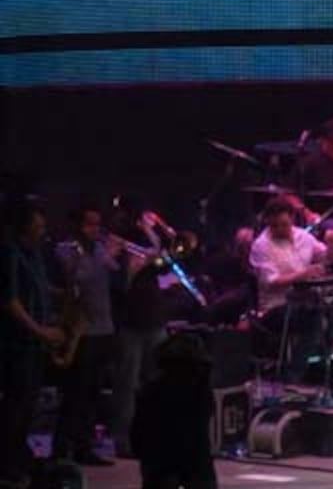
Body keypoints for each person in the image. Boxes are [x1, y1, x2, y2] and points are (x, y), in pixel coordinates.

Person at [0, 202, 65, 487]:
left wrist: (65, 293)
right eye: (38, 227)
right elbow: (10, 301)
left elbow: (39, 286)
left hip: (35, 344)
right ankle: (8, 464)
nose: (44, 232)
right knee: (16, 407)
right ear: (23, 229)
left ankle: (18, 457)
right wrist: (40, 330)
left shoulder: (35, 255)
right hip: (17, 344)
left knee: (27, 406)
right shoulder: (9, 254)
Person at [52, 203, 118, 466]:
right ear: (76, 226)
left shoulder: (101, 249)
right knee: (75, 393)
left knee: (93, 394)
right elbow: (78, 279)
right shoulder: (66, 250)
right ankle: (60, 449)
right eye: (90, 224)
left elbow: (115, 275)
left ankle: (84, 447)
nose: (96, 229)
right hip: (82, 330)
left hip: (104, 327)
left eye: (97, 224)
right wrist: (106, 256)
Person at [108, 199, 171, 459]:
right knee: (127, 383)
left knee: (156, 382)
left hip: (154, 319)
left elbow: (166, 264)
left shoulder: (145, 242)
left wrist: (152, 230)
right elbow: (118, 286)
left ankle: (154, 435)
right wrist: (135, 266)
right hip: (130, 323)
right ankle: (124, 439)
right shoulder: (115, 245)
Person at [130, 331, 217, 489]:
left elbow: (138, 428)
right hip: (195, 456)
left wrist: (140, 451)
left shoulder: (152, 389)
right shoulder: (201, 389)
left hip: (160, 457)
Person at [248, 198, 331, 315]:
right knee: (314, 314)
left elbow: (327, 258)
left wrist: (332, 243)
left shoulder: (303, 236)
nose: (279, 229)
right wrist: (304, 274)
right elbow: (272, 281)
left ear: (292, 218)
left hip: (304, 302)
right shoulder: (261, 245)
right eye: (274, 226)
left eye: (284, 224)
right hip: (276, 307)